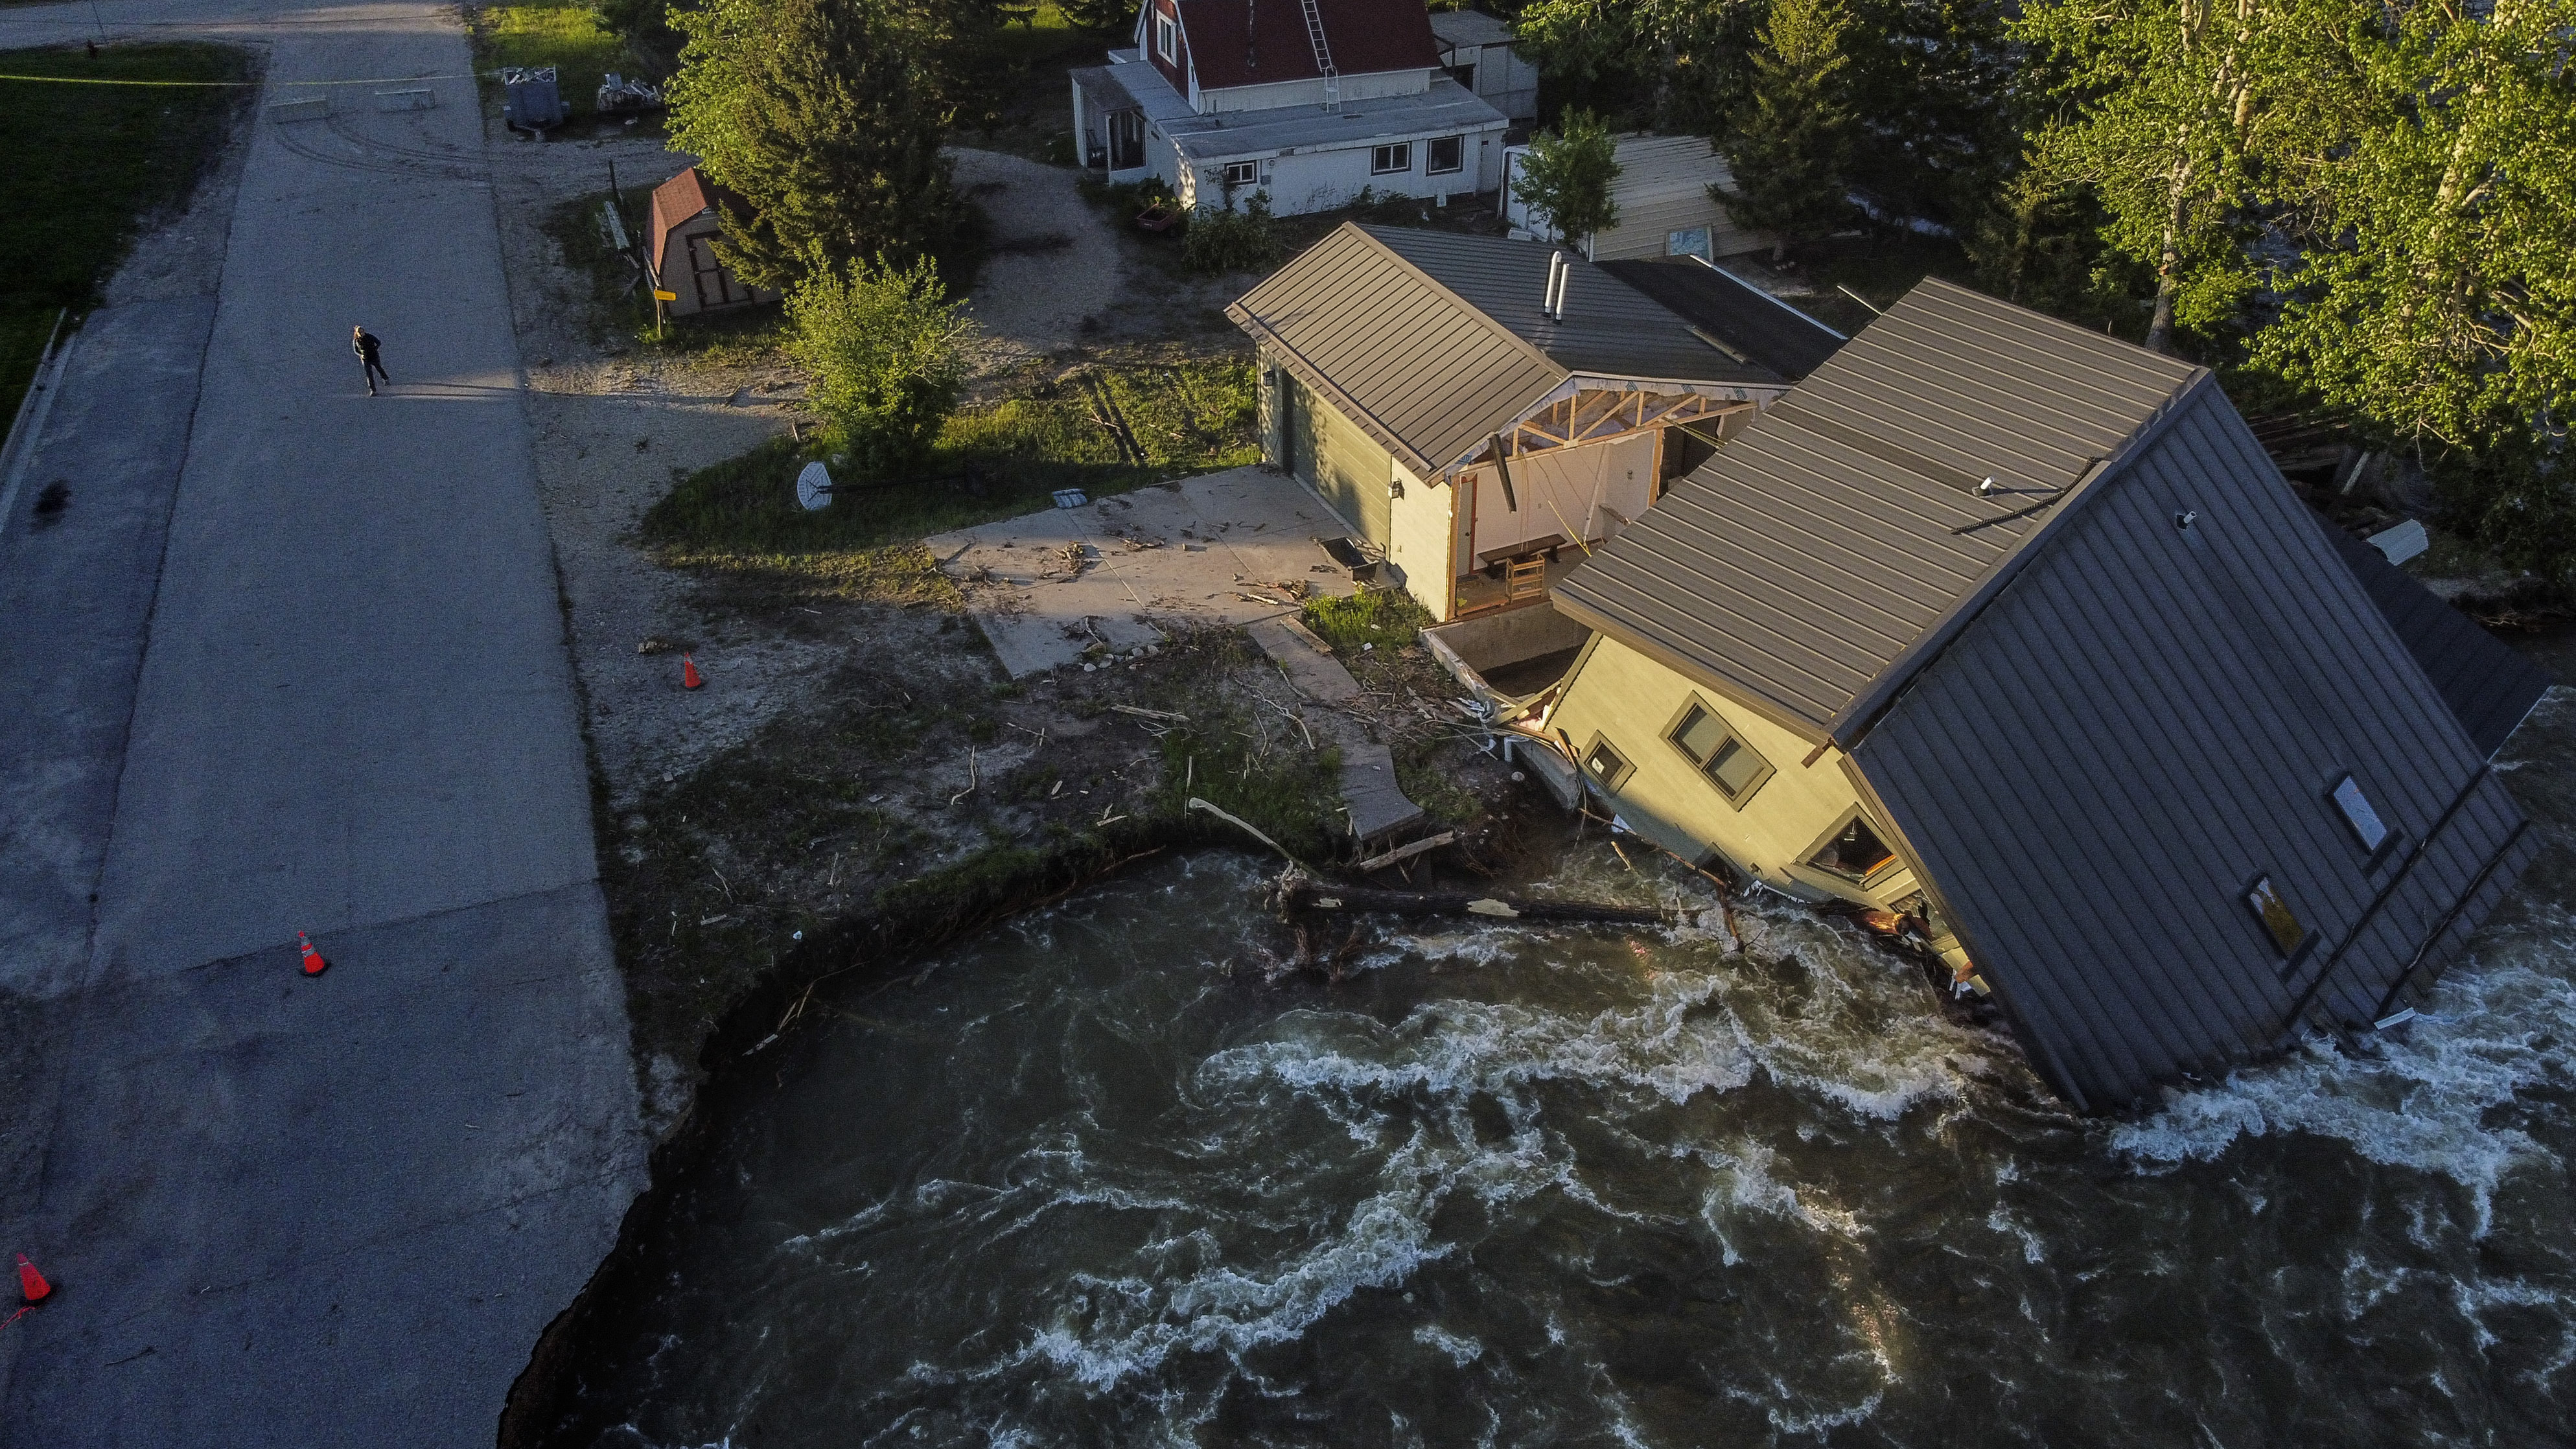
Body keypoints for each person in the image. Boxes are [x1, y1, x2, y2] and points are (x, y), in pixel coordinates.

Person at [352, 325, 389, 395]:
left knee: (379, 368)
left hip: (374, 356)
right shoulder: (356, 341)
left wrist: (374, 349)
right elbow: (356, 350)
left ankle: (385, 378)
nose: (361, 334)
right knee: (369, 374)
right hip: (365, 359)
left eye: (362, 332)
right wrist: (361, 355)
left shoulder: (369, 337)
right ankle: (373, 390)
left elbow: (378, 342)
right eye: (359, 333)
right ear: (357, 333)